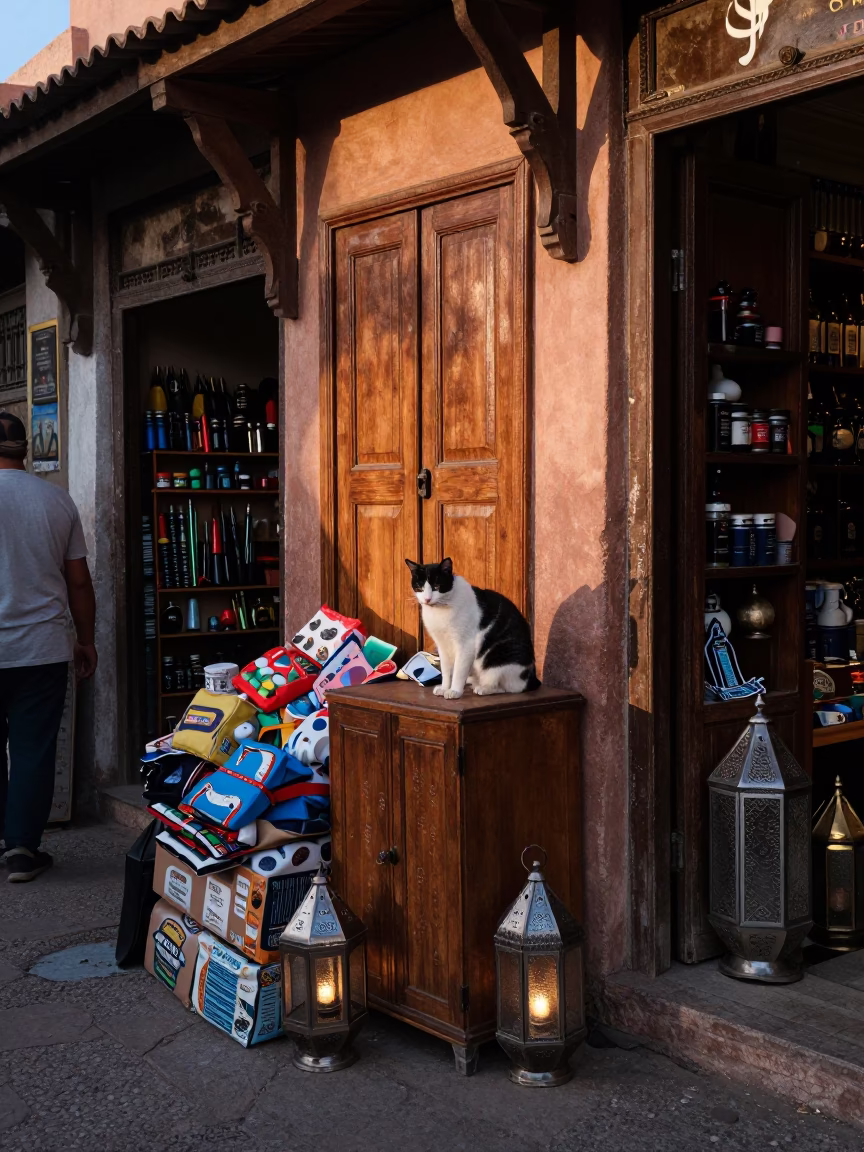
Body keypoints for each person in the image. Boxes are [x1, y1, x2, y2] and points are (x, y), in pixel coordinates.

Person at [0, 411, 97, 882]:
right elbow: (79, 582)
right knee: (33, 749)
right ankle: (20, 849)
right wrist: (86, 640)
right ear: (26, 449)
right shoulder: (56, 501)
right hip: (42, 648)